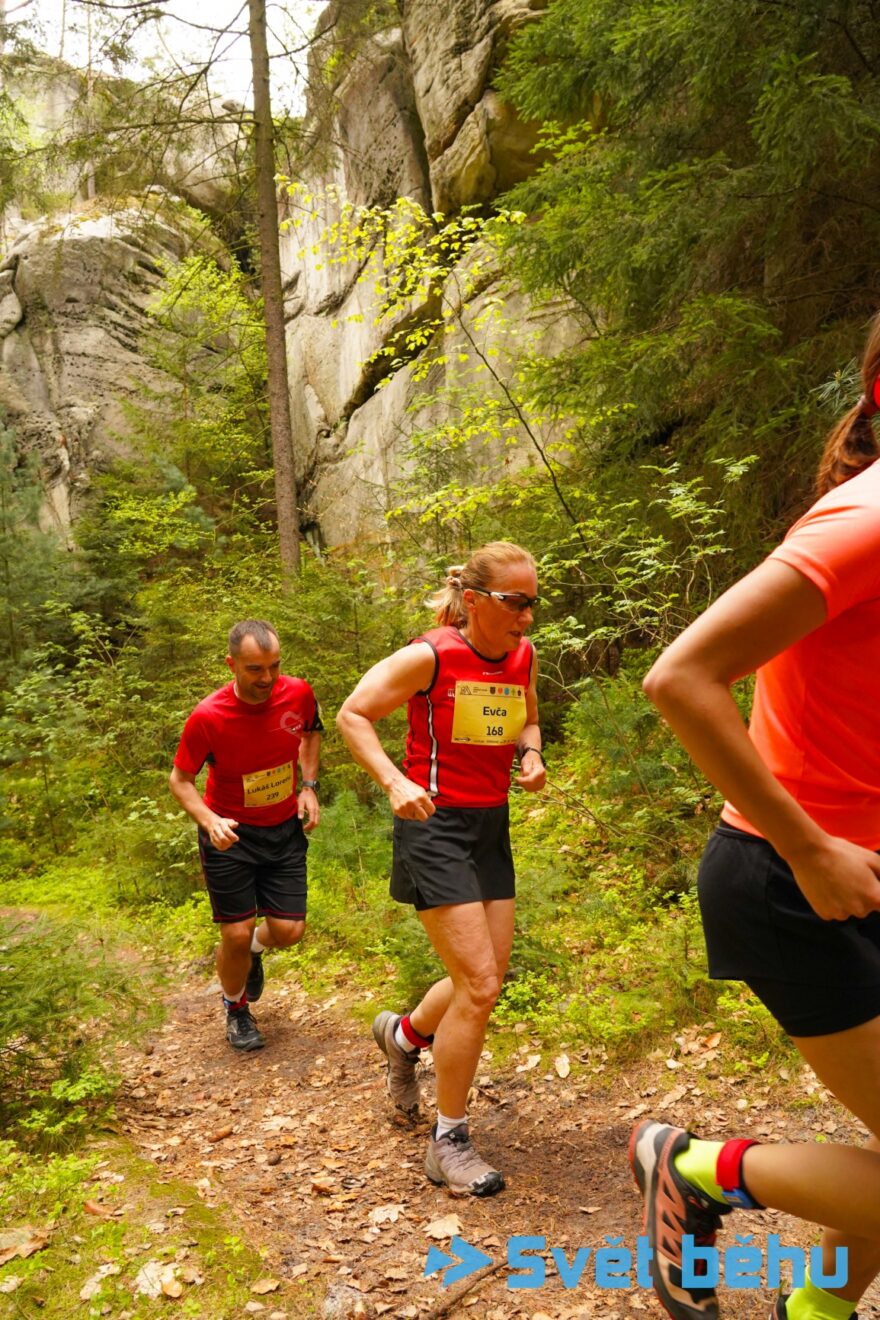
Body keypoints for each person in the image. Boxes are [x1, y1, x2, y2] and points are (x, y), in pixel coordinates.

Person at [630, 314, 880, 1320]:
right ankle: (696, 1170)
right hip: (789, 880)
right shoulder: (864, 522)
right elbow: (680, 677)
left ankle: (813, 1313)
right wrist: (807, 846)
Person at [336, 541, 545, 1196]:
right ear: (475, 600)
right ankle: (448, 1142)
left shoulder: (523, 655)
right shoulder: (430, 656)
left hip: (490, 827)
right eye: (516, 602)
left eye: (533, 604)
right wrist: (394, 781)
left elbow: (528, 720)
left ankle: (403, 1037)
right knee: (478, 985)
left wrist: (531, 755)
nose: (527, 617)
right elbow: (352, 714)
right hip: (433, 824)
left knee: (483, 980)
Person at [169, 619, 322, 1052]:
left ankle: (253, 951)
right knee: (234, 933)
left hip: (283, 829)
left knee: (289, 931)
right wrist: (209, 820)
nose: (267, 678)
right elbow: (180, 780)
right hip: (230, 834)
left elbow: (311, 733)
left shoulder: (298, 693)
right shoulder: (208, 716)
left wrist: (308, 786)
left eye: (274, 666)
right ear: (231, 664)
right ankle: (236, 1009)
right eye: (255, 669)